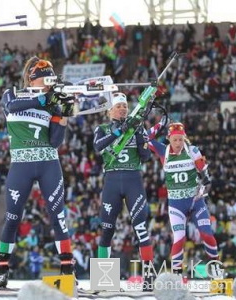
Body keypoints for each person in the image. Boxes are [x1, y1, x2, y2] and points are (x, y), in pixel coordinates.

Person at [0, 57, 75, 288]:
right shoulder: (12, 93)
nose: (48, 85)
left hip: (48, 163)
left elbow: (55, 141)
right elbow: (11, 107)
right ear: (31, 79)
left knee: (58, 218)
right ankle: (1, 271)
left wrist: (63, 114)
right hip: (21, 164)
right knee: (12, 218)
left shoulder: (52, 102)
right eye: (45, 80)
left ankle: (67, 271)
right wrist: (44, 99)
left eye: (50, 80)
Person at [93, 92, 154, 290]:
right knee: (107, 230)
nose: (123, 109)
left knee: (141, 229)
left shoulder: (137, 127)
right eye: (119, 106)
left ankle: (148, 278)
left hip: (133, 180)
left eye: (125, 106)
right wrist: (118, 132)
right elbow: (97, 147)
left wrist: (137, 133)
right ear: (110, 110)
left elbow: (146, 156)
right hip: (111, 181)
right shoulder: (101, 129)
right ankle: (104, 281)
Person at [148, 121, 220, 276]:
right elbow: (147, 137)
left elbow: (204, 173)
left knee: (207, 234)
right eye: (175, 139)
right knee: (179, 239)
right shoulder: (163, 151)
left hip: (195, 202)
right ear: (169, 139)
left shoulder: (192, 150)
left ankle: (216, 270)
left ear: (184, 138)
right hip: (176, 205)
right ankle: (177, 276)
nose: (178, 143)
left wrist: (203, 180)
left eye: (181, 139)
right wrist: (160, 123)